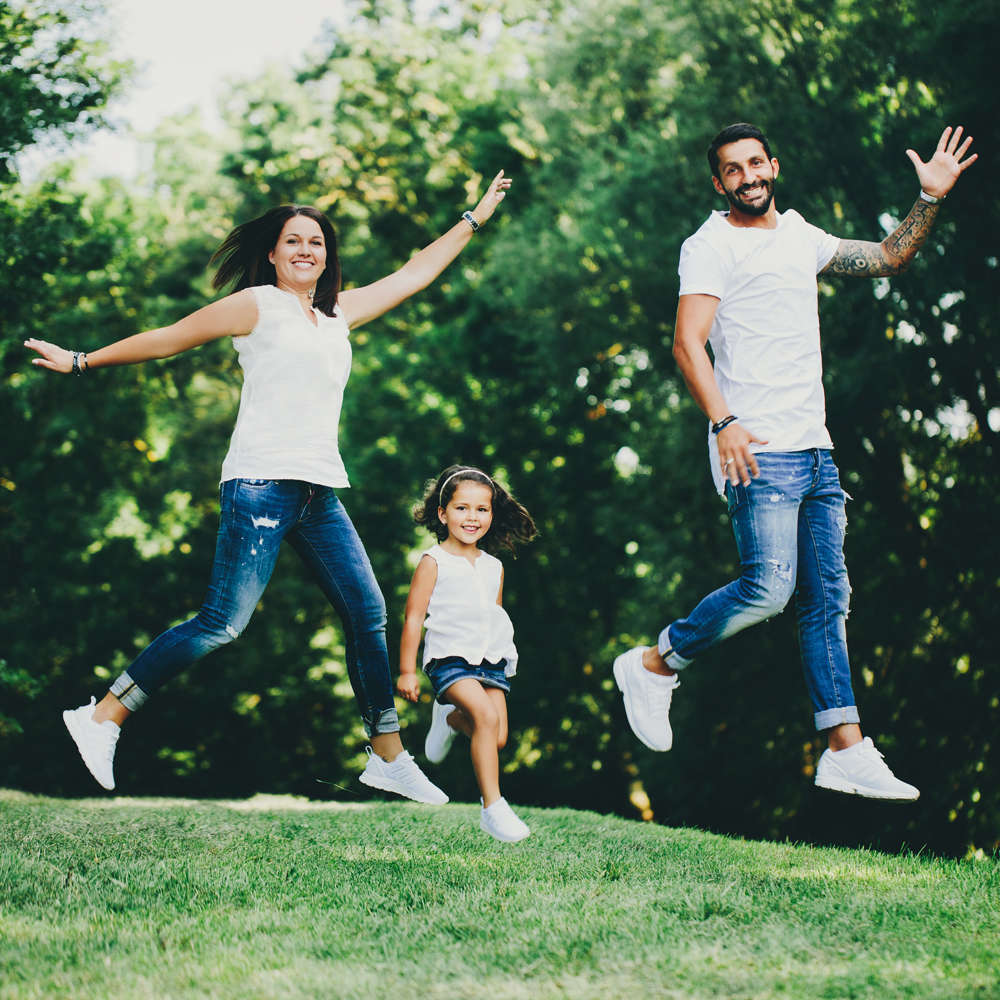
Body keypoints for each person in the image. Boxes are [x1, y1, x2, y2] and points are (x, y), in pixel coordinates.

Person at [25, 170, 512, 803]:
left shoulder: (337, 314)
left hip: (316, 492)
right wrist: (83, 360)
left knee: (367, 612)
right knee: (223, 623)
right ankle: (102, 717)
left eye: (317, 242)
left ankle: (386, 753)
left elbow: (416, 273)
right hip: (258, 484)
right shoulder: (256, 305)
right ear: (274, 253)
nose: (307, 250)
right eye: (293, 241)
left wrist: (473, 218)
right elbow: (170, 338)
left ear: (327, 255)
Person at [614, 123, 977, 800]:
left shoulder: (800, 236)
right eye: (732, 168)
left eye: (756, 162)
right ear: (717, 182)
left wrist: (929, 198)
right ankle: (654, 662)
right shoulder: (709, 245)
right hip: (757, 450)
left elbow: (888, 257)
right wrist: (722, 422)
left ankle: (845, 746)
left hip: (816, 450)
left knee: (827, 601)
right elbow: (686, 345)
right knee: (769, 588)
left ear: (773, 165)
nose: (748, 175)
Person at [396, 466, 537, 841]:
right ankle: (493, 807)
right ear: (442, 514)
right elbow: (413, 618)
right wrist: (407, 671)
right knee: (486, 718)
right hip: (449, 658)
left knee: (497, 736)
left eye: (481, 509)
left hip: (490, 660)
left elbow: (495, 615)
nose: (472, 517)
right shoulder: (434, 561)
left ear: (492, 514)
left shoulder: (494, 567)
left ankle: (451, 719)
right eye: (462, 508)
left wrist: (505, 657)